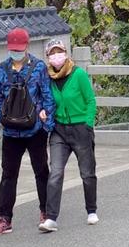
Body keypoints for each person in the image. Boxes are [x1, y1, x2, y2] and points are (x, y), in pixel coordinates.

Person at [0, 27, 55, 236]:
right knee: (8, 174)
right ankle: (4, 218)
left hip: (35, 130)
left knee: (41, 171)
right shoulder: (2, 69)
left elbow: (47, 97)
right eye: (13, 49)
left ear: (27, 46)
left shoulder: (38, 67)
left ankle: (46, 212)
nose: (16, 52)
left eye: (19, 49)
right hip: (11, 133)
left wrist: (47, 124)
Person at [39, 38, 99, 232]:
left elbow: (90, 100)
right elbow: (44, 99)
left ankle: (91, 210)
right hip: (59, 130)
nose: (56, 56)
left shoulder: (78, 74)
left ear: (66, 53)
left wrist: (88, 124)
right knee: (55, 172)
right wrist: (43, 111)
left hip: (80, 127)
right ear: (48, 57)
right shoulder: (47, 78)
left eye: (59, 52)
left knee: (87, 173)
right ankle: (51, 218)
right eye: (52, 54)